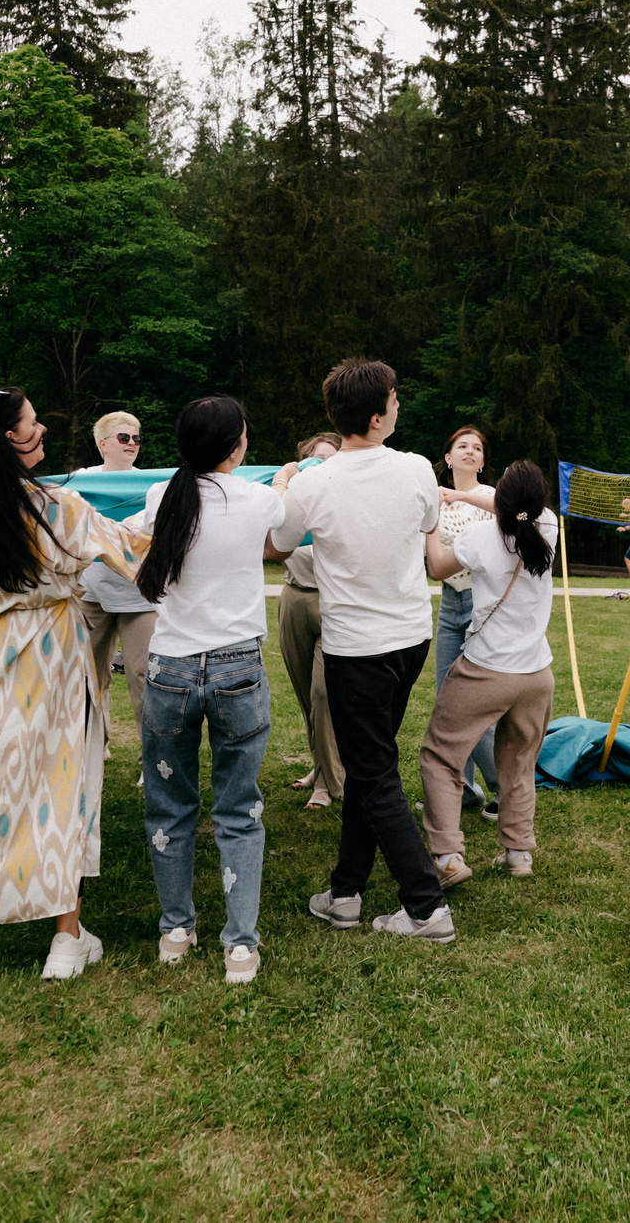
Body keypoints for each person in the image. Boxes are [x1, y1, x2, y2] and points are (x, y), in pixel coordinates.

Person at [0, 388, 146, 985]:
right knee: (59, 782)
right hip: (51, 652)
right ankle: (66, 938)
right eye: (31, 423)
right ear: (9, 439)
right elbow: (132, 550)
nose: (41, 428)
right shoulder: (59, 507)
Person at [277, 359, 454, 943]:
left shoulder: (313, 483)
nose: (400, 405)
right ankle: (346, 893)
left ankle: (425, 909)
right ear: (378, 417)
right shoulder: (418, 469)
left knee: (372, 772)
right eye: (396, 398)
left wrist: (283, 486)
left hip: (361, 650)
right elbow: (426, 521)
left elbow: (278, 545)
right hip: (409, 640)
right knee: (370, 762)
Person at [134, 396, 284, 986]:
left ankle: (177, 930)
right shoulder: (259, 498)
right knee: (239, 809)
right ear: (236, 445)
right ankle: (239, 946)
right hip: (237, 669)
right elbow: (290, 537)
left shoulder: (161, 498)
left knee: (169, 808)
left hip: (169, 670)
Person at [419, 459, 559, 886]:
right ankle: (518, 854)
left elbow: (438, 568)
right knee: (519, 762)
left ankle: (447, 857)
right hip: (537, 674)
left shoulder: (479, 535)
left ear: (501, 499)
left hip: (486, 669)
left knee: (441, 756)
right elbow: (505, 506)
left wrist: (430, 526)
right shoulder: (549, 526)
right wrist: (463, 494)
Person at [67, 411, 157, 744]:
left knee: (142, 675)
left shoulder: (150, 484)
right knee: (87, 674)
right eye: (124, 438)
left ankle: (151, 757)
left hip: (138, 595)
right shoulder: (80, 481)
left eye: (136, 438)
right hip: (92, 593)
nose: (132, 444)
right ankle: (92, 746)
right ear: (103, 444)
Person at [432, 425, 502, 818]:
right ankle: (463, 791)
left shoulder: (489, 496)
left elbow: (511, 518)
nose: (470, 452)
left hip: (482, 602)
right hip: (449, 603)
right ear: (448, 457)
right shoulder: (435, 503)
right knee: (447, 700)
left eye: (477, 448)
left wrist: (460, 495)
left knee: (471, 703)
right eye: (462, 446)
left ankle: (504, 790)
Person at [274, 432, 345, 809]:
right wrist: (286, 478)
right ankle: (320, 768)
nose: (323, 464)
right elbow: (273, 530)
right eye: (315, 458)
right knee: (307, 698)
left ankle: (329, 785)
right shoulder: (291, 498)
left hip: (333, 605)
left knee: (323, 696)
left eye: (331, 458)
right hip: (293, 599)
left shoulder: (345, 500)